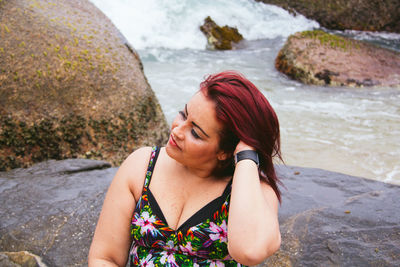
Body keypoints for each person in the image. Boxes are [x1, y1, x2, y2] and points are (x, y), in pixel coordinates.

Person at [88, 71, 282, 266]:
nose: (177, 130)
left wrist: (246, 156)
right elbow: (105, 258)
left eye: (196, 133)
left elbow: (250, 252)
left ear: (224, 151)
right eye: (183, 114)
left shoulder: (253, 192)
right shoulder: (141, 165)